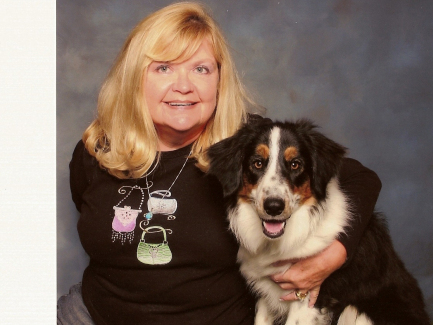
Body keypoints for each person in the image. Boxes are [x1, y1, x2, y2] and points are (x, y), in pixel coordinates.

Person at [57, 2, 381, 324]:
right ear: (135, 78)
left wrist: (334, 255)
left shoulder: (248, 144)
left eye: (201, 69)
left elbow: (361, 179)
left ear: (219, 80)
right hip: (89, 316)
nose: (184, 86)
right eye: (164, 67)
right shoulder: (96, 151)